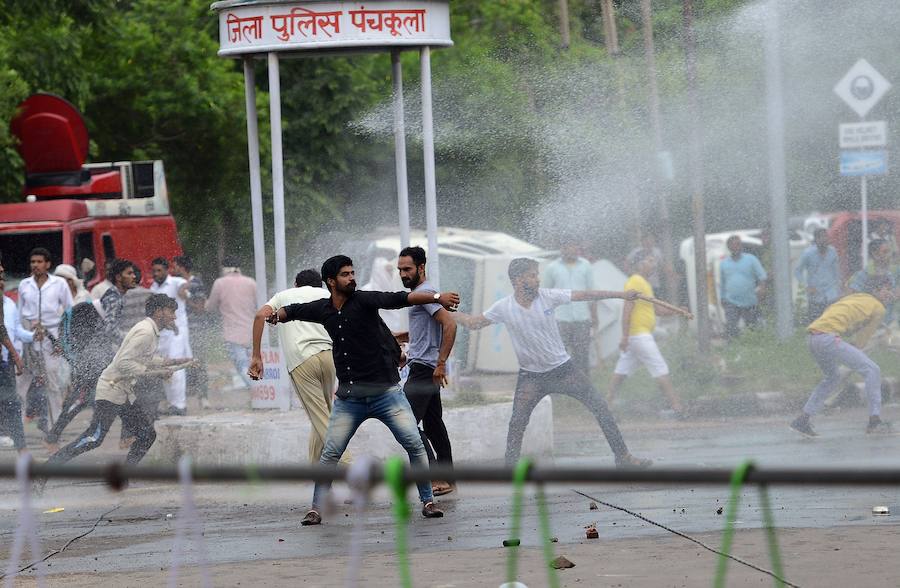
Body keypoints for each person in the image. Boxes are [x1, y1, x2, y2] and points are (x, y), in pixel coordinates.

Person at [266, 255, 460, 526]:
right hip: (350, 399)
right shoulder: (323, 309)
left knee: (414, 445)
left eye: (352, 273)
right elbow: (295, 311)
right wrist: (274, 316)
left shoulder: (365, 300)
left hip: (386, 394)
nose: (351, 278)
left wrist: (437, 297)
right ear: (331, 281)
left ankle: (428, 502)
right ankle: (316, 509)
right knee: (330, 454)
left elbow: (400, 298)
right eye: (345, 275)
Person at [453, 258, 651, 468]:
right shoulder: (504, 307)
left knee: (600, 407)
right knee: (517, 423)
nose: (538, 280)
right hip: (531, 377)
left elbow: (585, 295)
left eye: (537, 275)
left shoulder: (548, 297)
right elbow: (473, 323)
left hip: (564, 370)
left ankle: (623, 457)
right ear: (518, 280)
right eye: (532, 275)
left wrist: (621, 295)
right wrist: (446, 313)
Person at [44, 294, 189, 472]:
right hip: (111, 390)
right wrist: (157, 373)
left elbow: (140, 358)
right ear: (159, 312)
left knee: (147, 435)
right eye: (171, 311)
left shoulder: (149, 329)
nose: (174, 317)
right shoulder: (146, 332)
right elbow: (123, 363)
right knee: (93, 438)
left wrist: (169, 362)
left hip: (123, 392)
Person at [250, 269, 349, 465]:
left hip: (302, 360)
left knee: (321, 418)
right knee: (322, 415)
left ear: (296, 284)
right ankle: (317, 473)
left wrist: (256, 356)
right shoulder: (328, 295)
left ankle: (349, 466)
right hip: (329, 357)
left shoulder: (284, 296)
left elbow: (260, 316)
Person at [790, 276, 895, 437]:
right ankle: (874, 421)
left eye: (890, 289)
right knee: (872, 369)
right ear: (875, 291)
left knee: (833, 377)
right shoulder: (878, 307)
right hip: (828, 339)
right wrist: (856, 344)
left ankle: (802, 420)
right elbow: (862, 340)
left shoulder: (856, 298)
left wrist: (849, 336)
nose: (889, 293)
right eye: (886, 289)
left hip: (813, 338)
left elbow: (835, 314)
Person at [397, 247, 458, 496]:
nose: (403, 274)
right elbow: (428, 329)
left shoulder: (426, 293)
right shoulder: (425, 294)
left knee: (405, 423)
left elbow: (449, 324)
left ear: (421, 267)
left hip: (424, 369)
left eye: (407, 269)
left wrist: (441, 363)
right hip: (425, 367)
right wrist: (401, 337)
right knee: (433, 425)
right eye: (400, 270)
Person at [606, 250, 684, 416]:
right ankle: (678, 408)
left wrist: (677, 311)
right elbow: (627, 309)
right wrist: (625, 336)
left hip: (637, 336)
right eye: (650, 261)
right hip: (639, 335)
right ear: (640, 265)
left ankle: (606, 406)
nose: (653, 265)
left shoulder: (645, 283)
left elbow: (657, 310)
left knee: (621, 372)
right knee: (660, 369)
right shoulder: (635, 281)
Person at [17, 247, 74, 433]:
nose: (35, 265)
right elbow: (19, 314)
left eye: (39, 262)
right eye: (33, 262)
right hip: (28, 338)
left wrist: (62, 341)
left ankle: (55, 426)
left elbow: (69, 312)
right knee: (21, 383)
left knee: (52, 382)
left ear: (48, 264)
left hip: (51, 339)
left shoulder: (59, 284)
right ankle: (17, 427)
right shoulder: (24, 285)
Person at [44, 301, 114, 452]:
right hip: (87, 363)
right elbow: (79, 337)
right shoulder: (91, 308)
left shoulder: (93, 307)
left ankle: (55, 435)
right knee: (79, 400)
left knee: (85, 399)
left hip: (91, 362)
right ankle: (53, 436)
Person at [543, 237, 596, 374]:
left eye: (575, 246)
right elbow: (544, 295)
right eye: (569, 246)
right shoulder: (552, 268)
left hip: (582, 318)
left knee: (582, 355)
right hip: (560, 319)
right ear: (563, 249)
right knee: (560, 355)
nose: (573, 249)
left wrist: (594, 316)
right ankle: (561, 382)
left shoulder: (586, 265)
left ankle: (583, 382)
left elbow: (591, 293)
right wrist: (546, 317)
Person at [206, 258, 257, 389]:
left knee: (242, 365)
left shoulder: (220, 283)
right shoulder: (251, 282)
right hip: (252, 331)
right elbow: (260, 304)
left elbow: (211, 306)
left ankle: (256, 390)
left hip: (232, 333)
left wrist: (205, 304)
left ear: (224, 268)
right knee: (253, 363)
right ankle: (261, 390)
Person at [150, 257, 191, 416]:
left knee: (176, 366)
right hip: (161, 334)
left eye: (159, 270)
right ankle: (172, 403)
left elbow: (184, 287)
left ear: (167, 271)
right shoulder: (153, 287)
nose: (156, 273)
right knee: (164, 366)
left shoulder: (175, 282)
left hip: (177, 332)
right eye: (154, 271)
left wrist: (185, 290)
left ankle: (180, 404)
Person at [171, 255, 211, 408]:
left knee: (198, 362)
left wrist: (185, 298)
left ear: (182, 267)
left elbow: (200, 308)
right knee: (180, 363)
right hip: (179, 331)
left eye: (175, 266)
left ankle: (203, 397)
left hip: (196, 330)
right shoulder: (174, 283)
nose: (173, 269)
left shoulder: (195, 283)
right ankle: (181, 398)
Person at [0, 273, 29, 453]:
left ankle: (23, 452)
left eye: (2, 276)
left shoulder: (7, 303)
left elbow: (3, 329)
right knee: (11, 403)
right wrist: (15, 355)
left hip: (3, 361)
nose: (2, 281)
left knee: (12, 403)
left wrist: (14, 355)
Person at [719, 235, 767, 339]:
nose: (737, 247)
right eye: (734, 245)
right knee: (731, 328)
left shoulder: (751, 259)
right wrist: (722, 297)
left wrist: (762, 288)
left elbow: (762, 276)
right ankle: (733, 346)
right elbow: (722, 283)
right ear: (729, 247)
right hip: (731, 302)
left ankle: (751, 346)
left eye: (738, 244)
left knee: (752, 328)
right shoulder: (724, 264)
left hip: (750, 301)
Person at [794, 228, 841, 323]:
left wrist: (839, 287)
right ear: (816, 240)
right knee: (816, 322)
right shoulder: (808, 254)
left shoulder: (833, 252)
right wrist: (806, 286)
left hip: (831, 293)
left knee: (832, 321)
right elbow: (798, 271)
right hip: (815, 294)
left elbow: (836, 271)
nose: (824, 240)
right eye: (821, 237)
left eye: (826, 237)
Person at [848, 239, 899, 325]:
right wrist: (875, 296)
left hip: (888, 324)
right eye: (885, 252)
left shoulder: (890, 274)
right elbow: (851, 298)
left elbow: (890, 299)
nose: (889, 255)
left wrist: (894, 295)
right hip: (870, 326)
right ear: (875, 255)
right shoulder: (863, 276)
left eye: (889, 251)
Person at [99, 259, 138, 345]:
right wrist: (130, 343)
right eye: (129, 273)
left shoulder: (117, 295)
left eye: (133, 273)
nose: (134, 276)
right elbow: (110, 329)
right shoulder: (114, 298)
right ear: (118, 277)